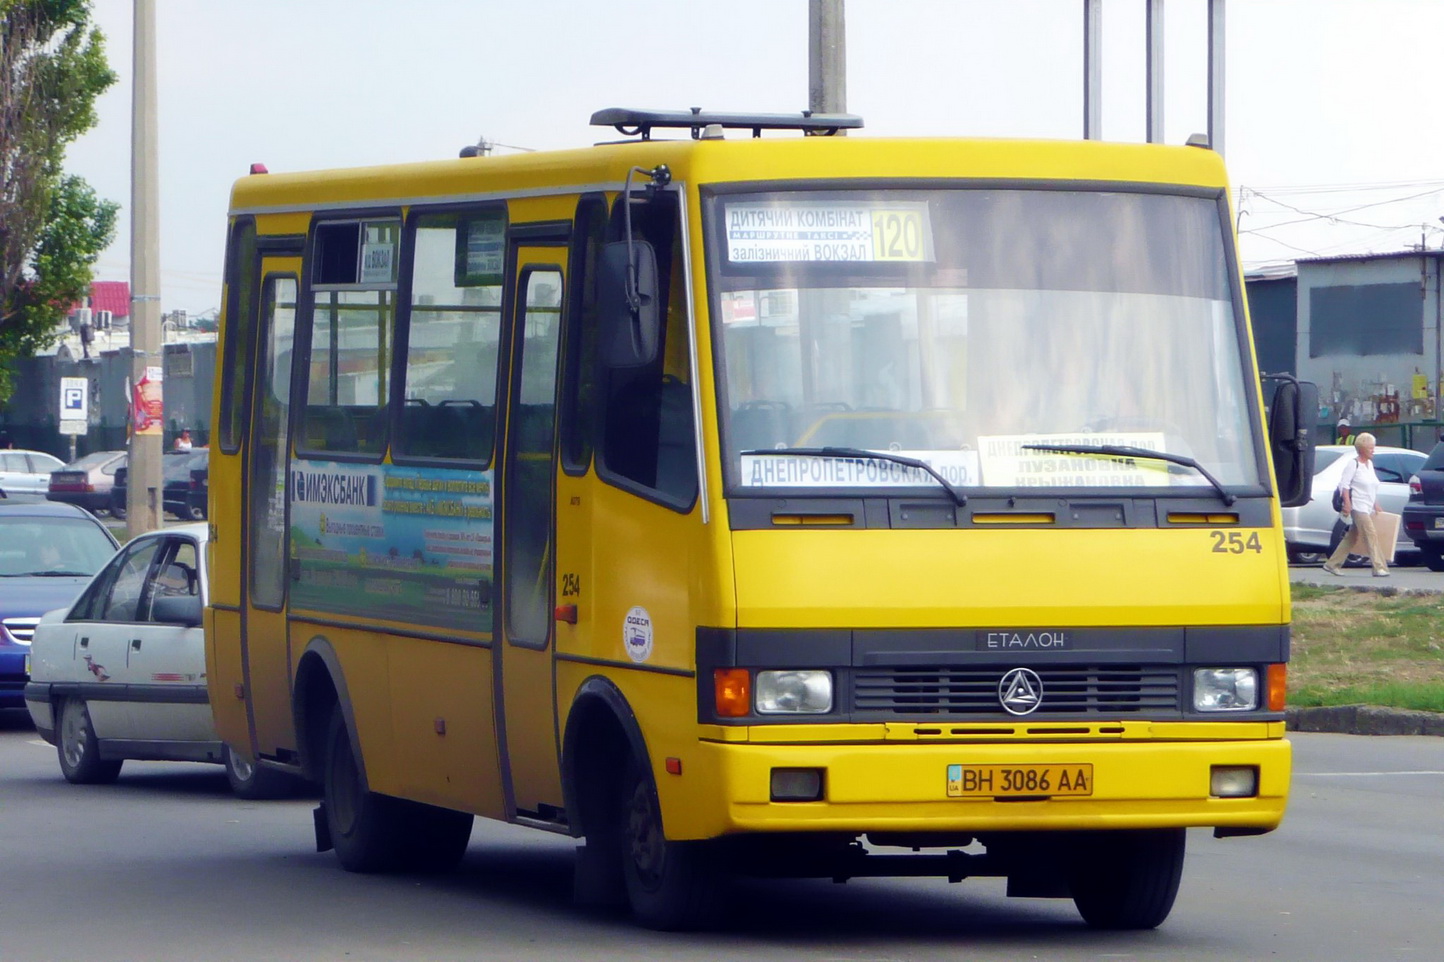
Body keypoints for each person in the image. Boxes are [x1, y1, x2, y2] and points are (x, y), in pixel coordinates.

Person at [1322, 431, 1390, 578]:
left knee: (1352, 537)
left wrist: (1375, 504)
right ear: (1362, 449)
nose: (1373, 450)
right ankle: (1378, 567)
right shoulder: (1353, 464)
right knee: (1370, 534)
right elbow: (1344, 485)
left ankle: (1332, 564)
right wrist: (1347, 503)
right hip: (1358, 507)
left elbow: (1371, 486)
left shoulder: (1369, 464)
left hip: (1367, 505)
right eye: (1370, 448)